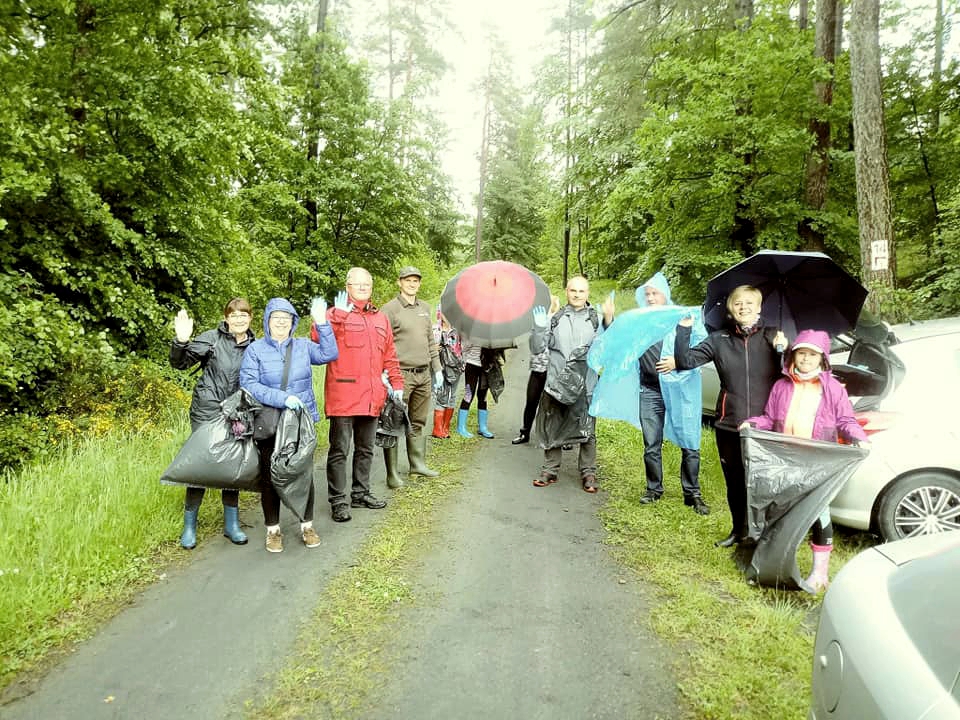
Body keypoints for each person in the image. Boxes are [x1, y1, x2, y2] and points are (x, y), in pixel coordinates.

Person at [741, 329, 870, 590]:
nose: (806, 359)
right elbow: (769, 418)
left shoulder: (832, 388)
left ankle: (820, 573)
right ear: (794, 356)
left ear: (822, 359)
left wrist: (859, 437)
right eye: (801, 353)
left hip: (817, 461)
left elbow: (846, 420)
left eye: (812, 355)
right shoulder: (781, 385)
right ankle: (771, 565)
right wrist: (752, 423)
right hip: (786, 459)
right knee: (779, 511)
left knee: (818, 512)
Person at [674, 285, 787, 547]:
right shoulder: (719, 339)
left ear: (759, 308)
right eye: (738, 303)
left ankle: (764, 536)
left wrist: (784, 349)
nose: (743, 307)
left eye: (749, 303)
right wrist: (684, 330)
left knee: (763, 483)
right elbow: (685, 361)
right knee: (735, 481)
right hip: (729, 423)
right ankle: (739, 531)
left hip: (765, 425)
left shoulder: (773, 336)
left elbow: (791, 372)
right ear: (730, 308)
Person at [240, 297, 339, 553]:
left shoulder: (304, 346)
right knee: (270, 477)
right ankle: (273, 530)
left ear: (293, 322)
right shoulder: (256, 350)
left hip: (299, 423)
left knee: (302, 474)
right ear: (267, 321)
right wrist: (284, 398)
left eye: (286, 318)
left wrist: (322, 323)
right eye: (276, 318)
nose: (281, 322)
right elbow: (249, 384)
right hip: (270, 422)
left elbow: (329, 354)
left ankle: (307, 525)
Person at [169, 298, 257, 549]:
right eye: (234, 314)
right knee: (201, 465)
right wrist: (181, 341)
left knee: (231, 466)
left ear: (251, 318)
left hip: (237, 413)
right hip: (207, 410)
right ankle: (189, 526)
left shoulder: (255, 346)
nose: (239, 319)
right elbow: (180, 363)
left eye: (244, 315)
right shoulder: (211, 339)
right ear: (226, 317)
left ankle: (232, 524)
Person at [322, 267, 403, 523]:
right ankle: (338, 501)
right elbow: (318, 339)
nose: (363, 288)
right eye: (357, 284)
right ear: (347, 287)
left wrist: (397, 382)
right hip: (343, 396)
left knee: (366, 449)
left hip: (372, 396)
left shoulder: (380, 318)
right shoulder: (335, 314)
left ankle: (360, 493)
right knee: (339, 450)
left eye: (367, 284)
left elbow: (389, 353)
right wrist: (336, 316)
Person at [530, 276, 615, 492]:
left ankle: (588, 473)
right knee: (553, 424)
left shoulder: (595, 319)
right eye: (573, 290)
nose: (577, 295)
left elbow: (608, 348)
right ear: (567, 291)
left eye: (581, 291)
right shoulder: (555, 318)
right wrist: (540, 326)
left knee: (587, 428)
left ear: (588, 293)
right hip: (557, 382)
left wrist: (609, 320)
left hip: (586, 383)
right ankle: (550, 469)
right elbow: (537, 348)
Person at [635, 274, 710, 515]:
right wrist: (607, 319)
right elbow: (622, 339)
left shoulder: (683, 317)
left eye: (654, 293)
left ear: (665, 293)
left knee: (689, 441)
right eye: (647, 294)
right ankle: (653, 489)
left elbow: (703, 349)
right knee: (651, 442)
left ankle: (692, 494)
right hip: (650, 389)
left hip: (681, 388)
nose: (650, 298)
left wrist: (678, 362)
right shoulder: (642, 321)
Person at [381, 266, 443, 488]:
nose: (412, 284)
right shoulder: (389, 309)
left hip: (423, 374)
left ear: (419, 283)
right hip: (400, 376)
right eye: (408, 280)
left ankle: (417, 464)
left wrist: (438, 369)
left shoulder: (425, 308)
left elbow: (430, 341)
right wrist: (384, 375)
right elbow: (382, 344)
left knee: (418, 421)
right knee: (394, 423)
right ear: (400, 282)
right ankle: (392, 474)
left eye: (416, 280)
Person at [511, 295, 560, 445]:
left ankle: (560, 437)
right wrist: (539, 326)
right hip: (538, 370)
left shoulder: (560, 322)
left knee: (556, 404)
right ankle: (525, 432)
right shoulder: (538, 322)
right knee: (531, 402)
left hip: (555, 371)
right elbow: (534, 346)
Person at [456, 341, 503, 439]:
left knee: (483, 396)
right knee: (469, 394)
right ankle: (461, 427)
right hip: (471, 365)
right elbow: (465, 347)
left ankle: (483, 427)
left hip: (486, 367)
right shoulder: (473, 330)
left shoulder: (493, 333)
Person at [431, 311, 463, 440]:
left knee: (452, 395)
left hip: (456, 367)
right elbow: (428, 347)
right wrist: (434, 348)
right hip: (440, 367)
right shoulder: (435, 330)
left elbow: (463, 347)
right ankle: (437, 429)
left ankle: (445, 427)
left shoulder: (458, 331)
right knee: (441, 394)